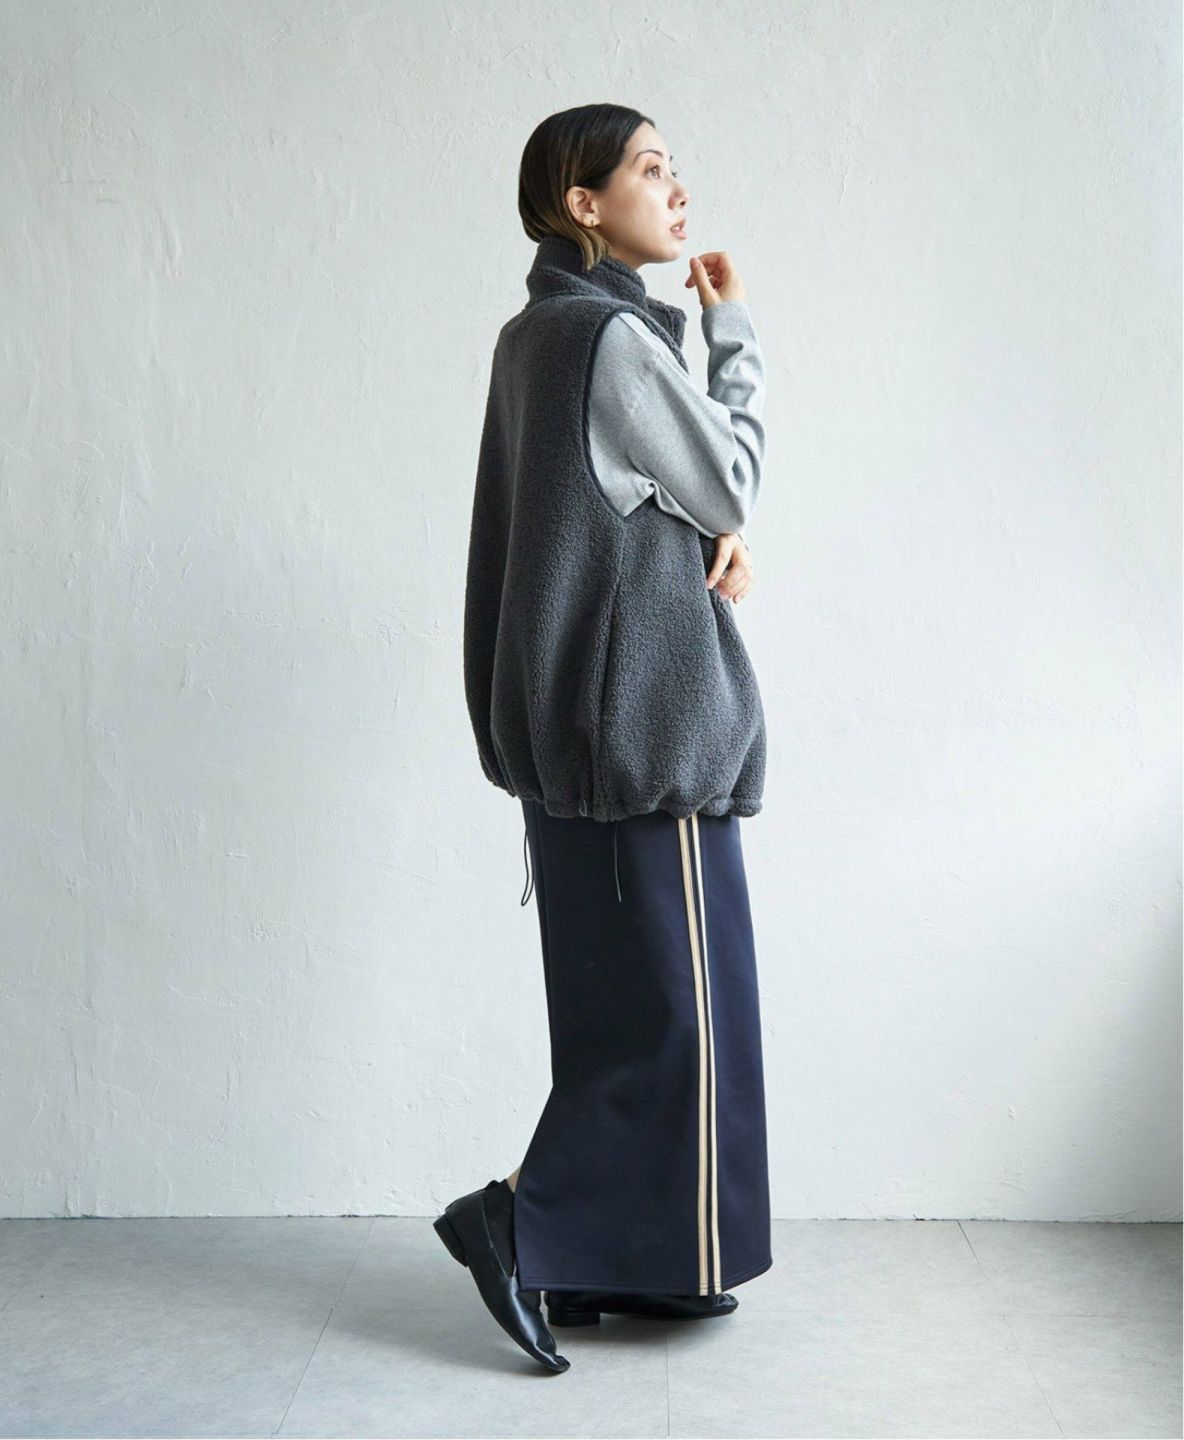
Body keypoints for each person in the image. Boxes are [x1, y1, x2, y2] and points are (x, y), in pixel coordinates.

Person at [435, 103, 772, 1374]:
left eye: (677, 168)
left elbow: (608, 517)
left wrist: (700, 542)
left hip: (568, 733)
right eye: (650, 169)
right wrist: (733, 336)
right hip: (644, 733)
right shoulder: (614, 340)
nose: (676, 189)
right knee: (684, 1020)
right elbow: (727, 476)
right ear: (583, 203)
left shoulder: (534, 337)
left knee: (620, 1015)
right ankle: (519, 1224)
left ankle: (619, 1262)